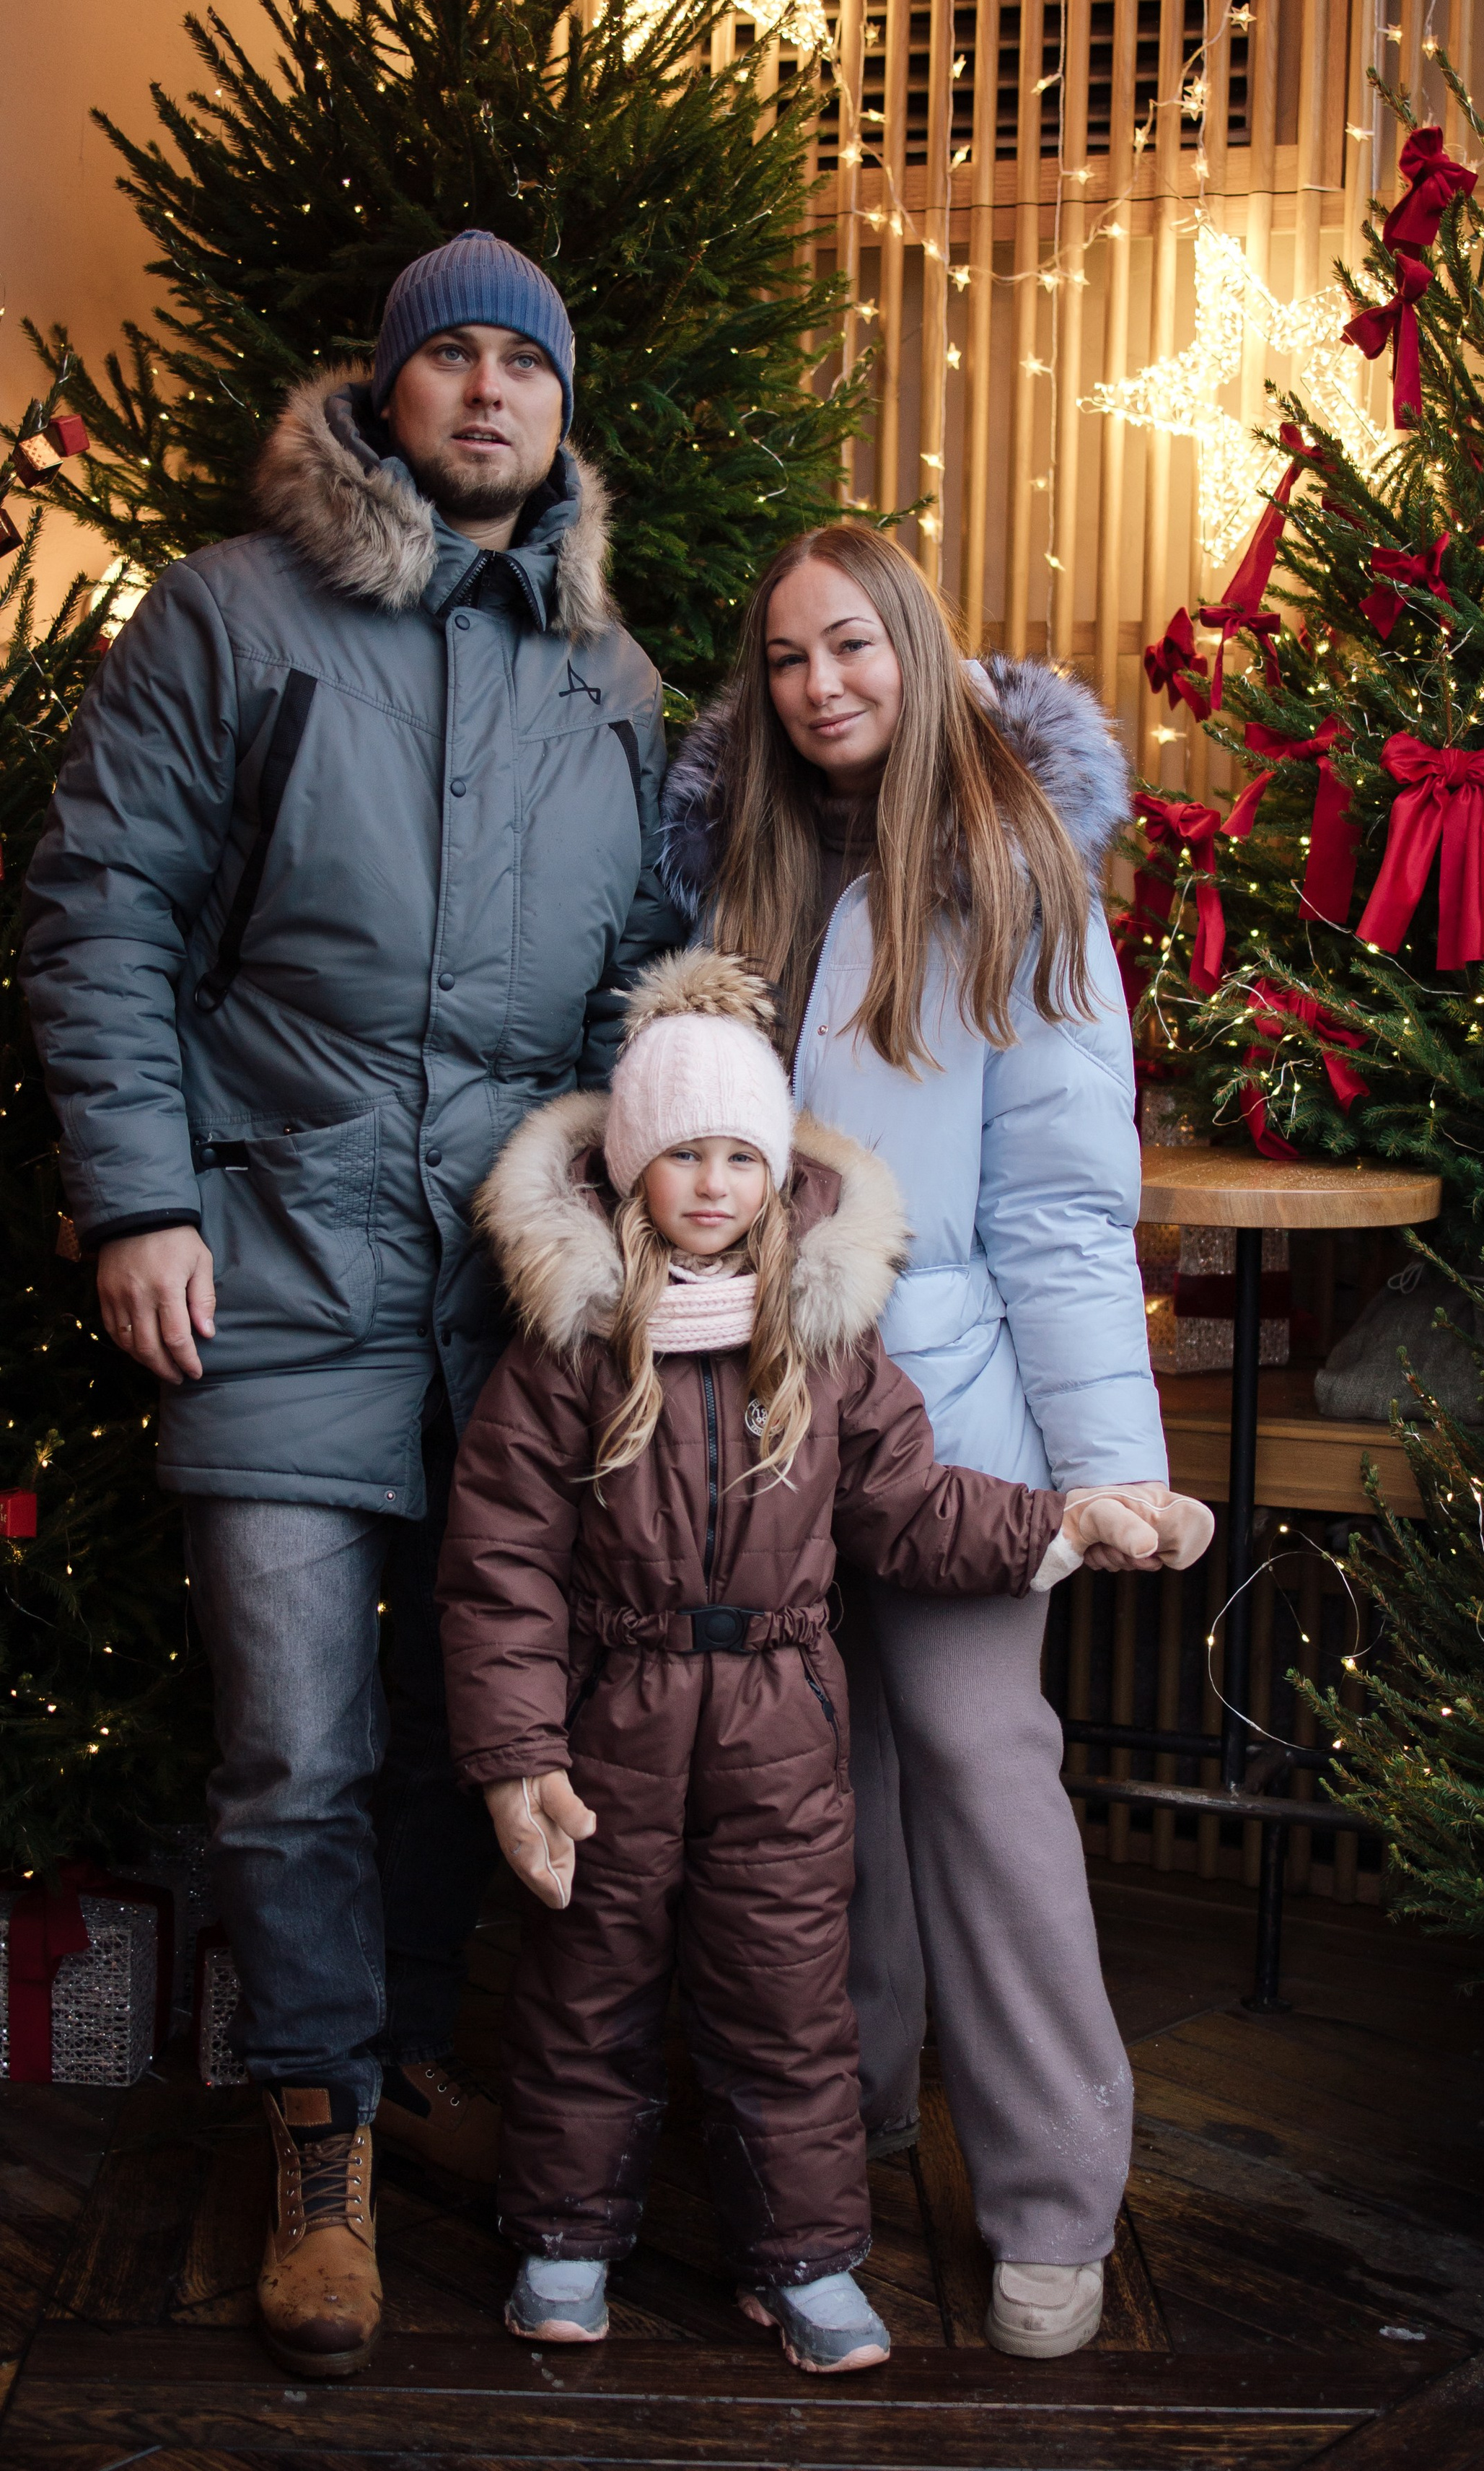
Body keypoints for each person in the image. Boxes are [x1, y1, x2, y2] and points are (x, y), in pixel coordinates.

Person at [21, 228, 680, 2382]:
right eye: (451, 358)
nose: (489, 391)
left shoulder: (616, 684)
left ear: (560, 411)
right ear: (385, 393)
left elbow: (622, 1006)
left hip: (505, 1296)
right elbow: (103, 903)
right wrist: (139, 1200)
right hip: (278, 1251)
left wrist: (624, 1265)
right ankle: (317, 2142)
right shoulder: (230, 615)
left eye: (525, 364)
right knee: (295, 1738)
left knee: (449, 1739)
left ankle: (389, 2071)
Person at [436, 951, 1208, 2365]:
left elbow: (914, 1512)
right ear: (627, 1176)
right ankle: (563, 2240)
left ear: (781, 1171)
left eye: (743, 1153)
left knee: (787, 1995)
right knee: (583, 1986)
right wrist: (517, 1753)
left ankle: (799, 2259)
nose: (716, 1184)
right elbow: (499, 1570)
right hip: (616, 1714)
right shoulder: (565, 1356)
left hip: (778, 1731)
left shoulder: (827, 1353)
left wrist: (1062, 1520)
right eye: (683, 1156)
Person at [658, 528, 1180, 2360]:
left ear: (918, 646)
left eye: (854, 644)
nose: (822, 686)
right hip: (760, 1424)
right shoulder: (734, 868)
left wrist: (1105, 1463)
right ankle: (846, 2128)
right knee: (818, 1784)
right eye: (787, 656)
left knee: (973, 1759)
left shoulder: (1011, 871)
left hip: (953, 1419)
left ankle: (1052, 2197)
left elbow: (1058, 1201)